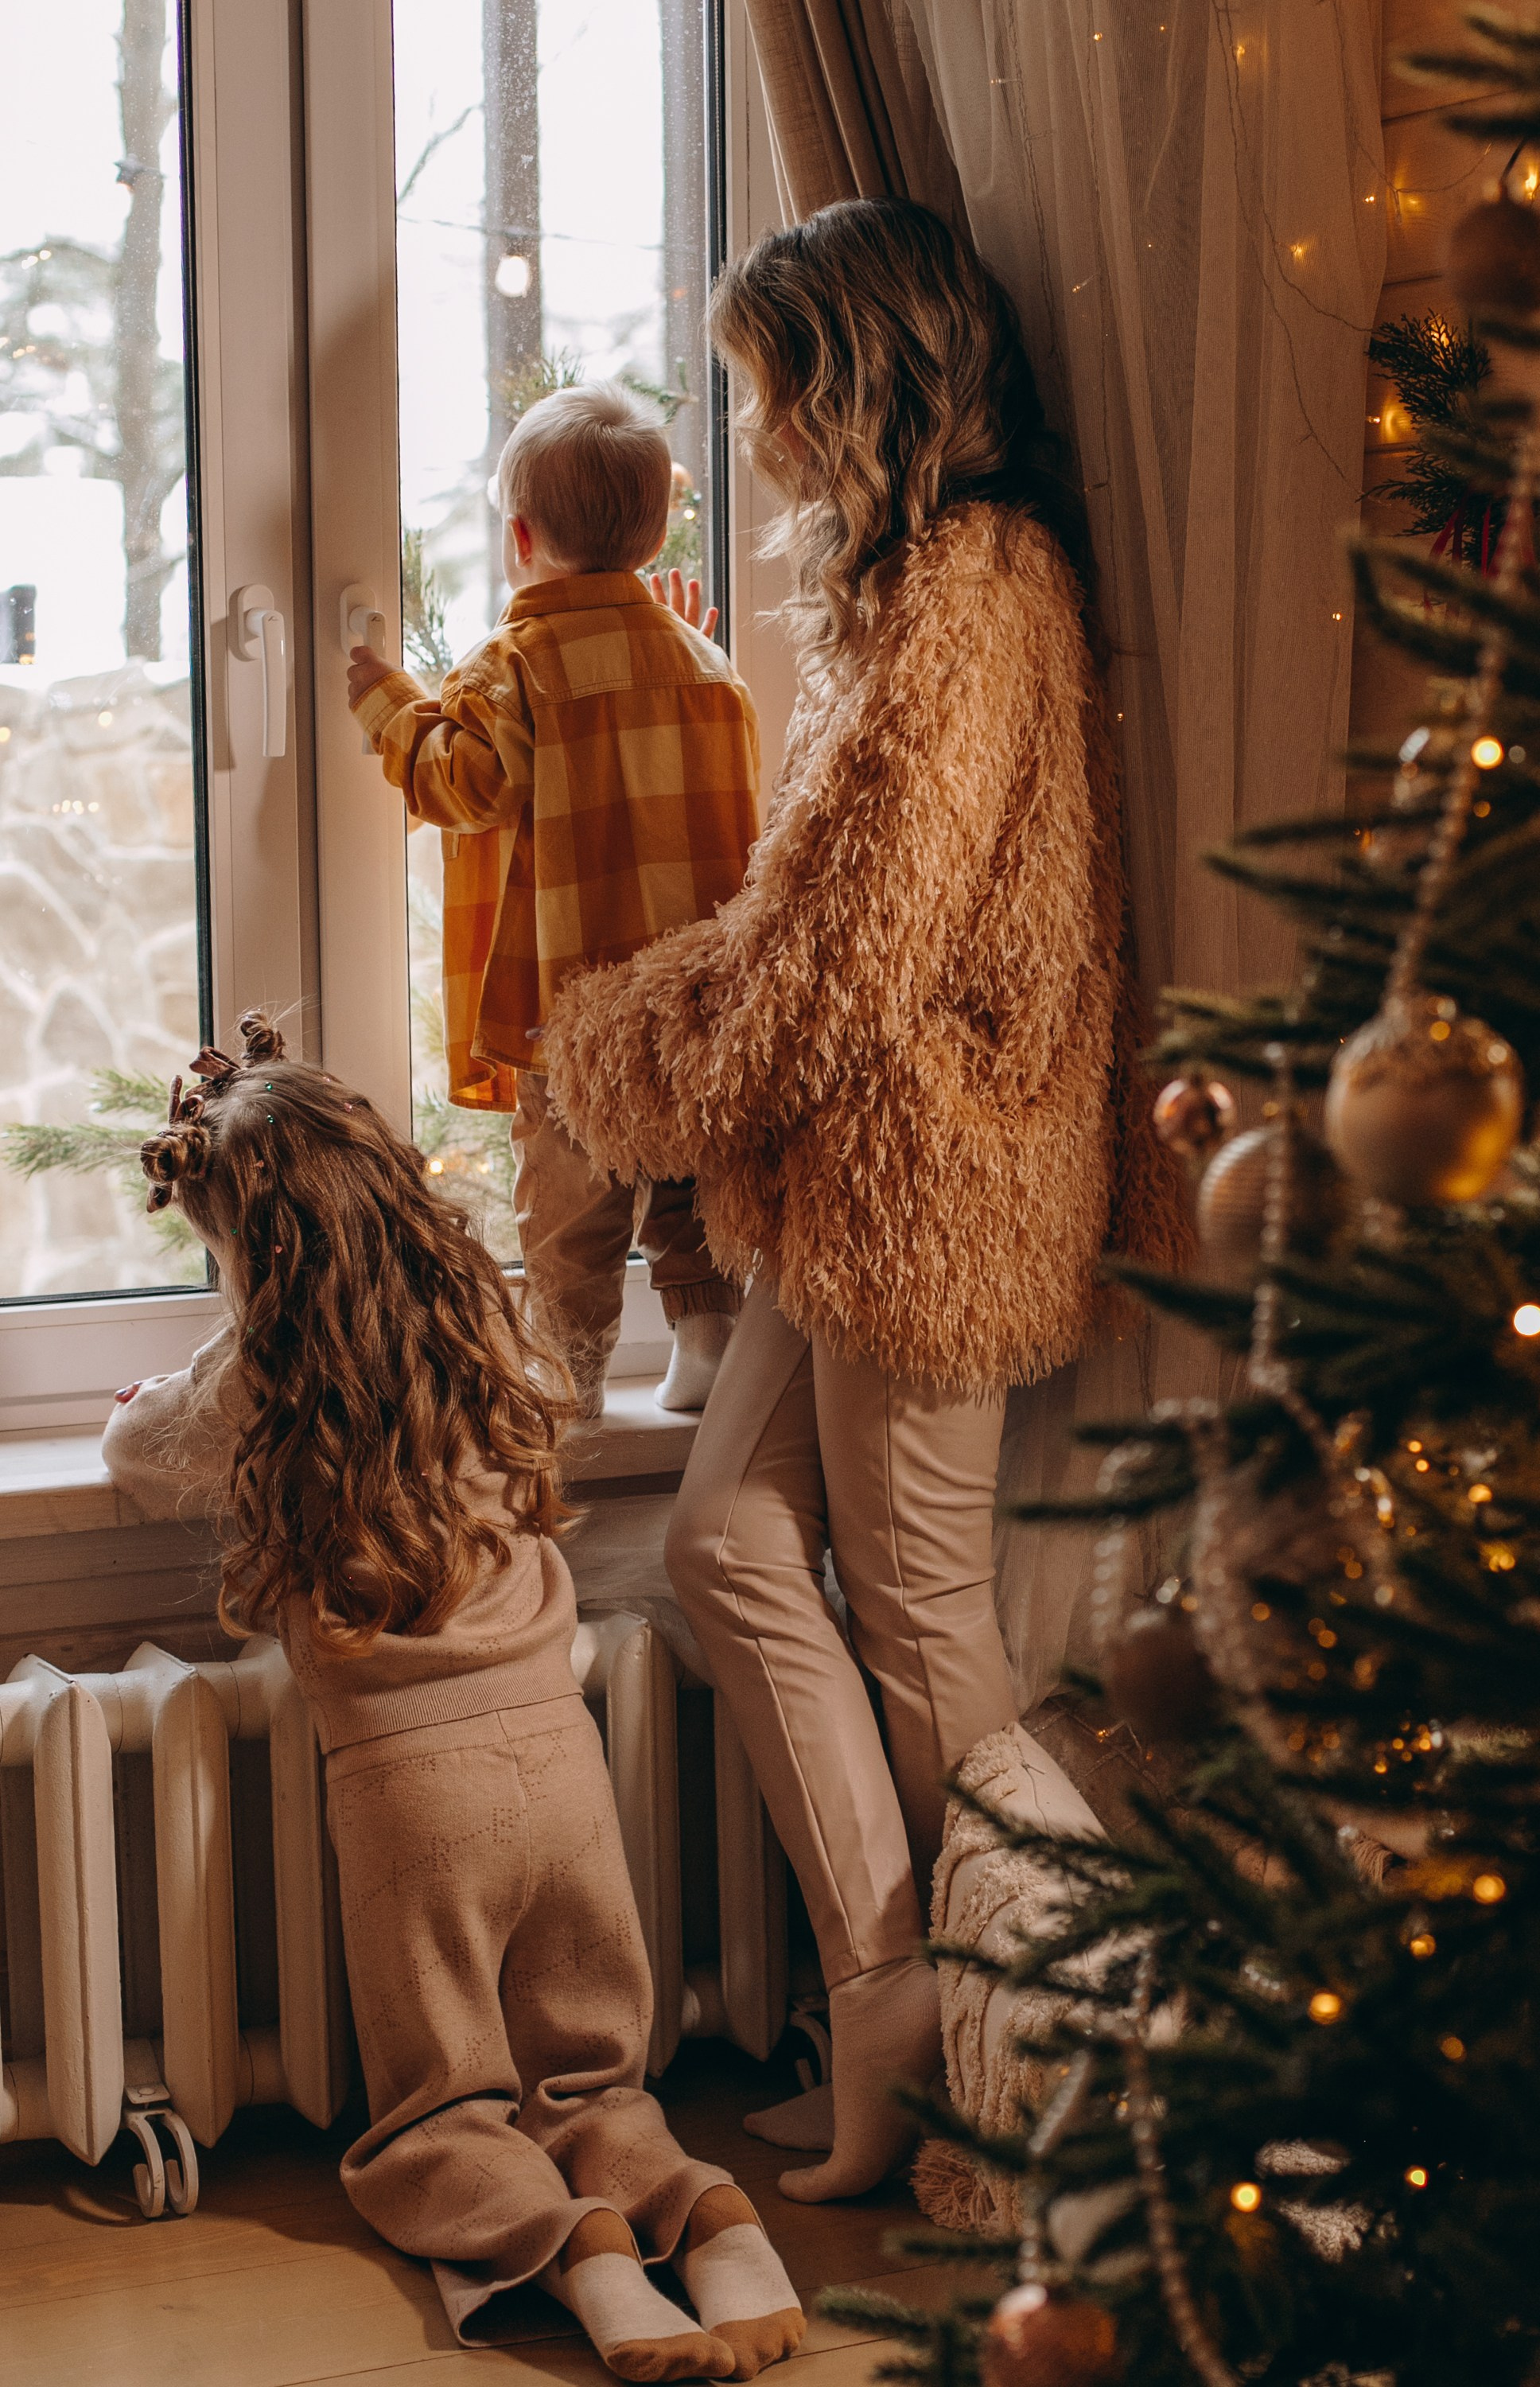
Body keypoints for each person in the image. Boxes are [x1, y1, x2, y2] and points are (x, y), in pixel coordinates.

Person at [542, 200, 1187, 2204]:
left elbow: (849, 944)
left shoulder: (977, 591)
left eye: (768, 391)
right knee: (727, 1544)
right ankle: (894, 1993)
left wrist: (627, 1053)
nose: (752, 436)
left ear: (858, 384)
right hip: (847, 1182)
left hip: (937, 1179)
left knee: (922, 1621)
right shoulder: (905, 589)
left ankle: (1028, 2057)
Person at [100, 1014, 803, 2379]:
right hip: (561, 1761)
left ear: (248, 1248)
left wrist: (211, 1332)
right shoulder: (483, 1327)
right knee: (593, 2077)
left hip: (413, 1794)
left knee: (447, 2109)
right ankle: (715, 2228)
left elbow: (135, 1445)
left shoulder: (264, 1376)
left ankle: (588, 2266)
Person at [346, 381, 760, 1419]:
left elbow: (464, 786)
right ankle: (708, 1339)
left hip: (569, 1011)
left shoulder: (515, 665)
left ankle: (570, 1377)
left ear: (521, 537)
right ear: (655, 534)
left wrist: (390, 707)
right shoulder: (709, 664)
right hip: (689, 1006)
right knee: (688, 1180)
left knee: (571, 1208)